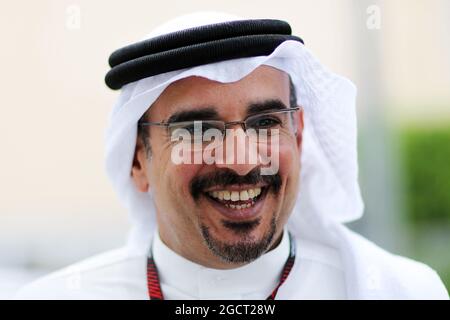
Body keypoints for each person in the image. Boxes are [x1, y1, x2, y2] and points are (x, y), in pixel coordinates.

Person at [16, 12, 448, 300]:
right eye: (198, 130)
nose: (241, 162)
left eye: (265, 124)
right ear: (137, 161)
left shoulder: (398, 291)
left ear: (298, 140)